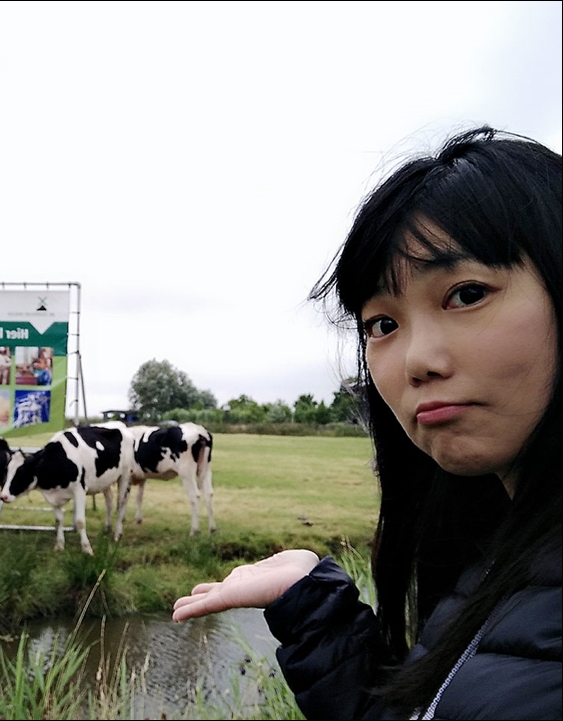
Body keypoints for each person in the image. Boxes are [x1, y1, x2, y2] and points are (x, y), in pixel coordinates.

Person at [172, 126, 561, 720]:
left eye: (466, 294)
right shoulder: (493, 557)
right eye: (381, 324)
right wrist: (314, 610)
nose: (416, 362)